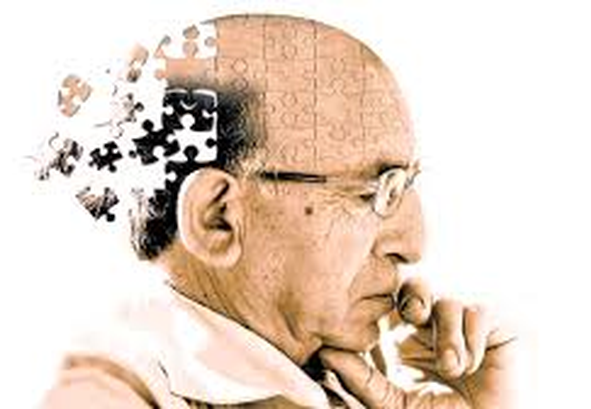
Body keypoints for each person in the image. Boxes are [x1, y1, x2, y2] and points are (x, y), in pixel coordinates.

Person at [39, 13, 517, 408]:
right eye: (377, 191)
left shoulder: (364, 382)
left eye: (407, 185)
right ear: (219, 218)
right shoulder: (99, 392)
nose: (413, 244)